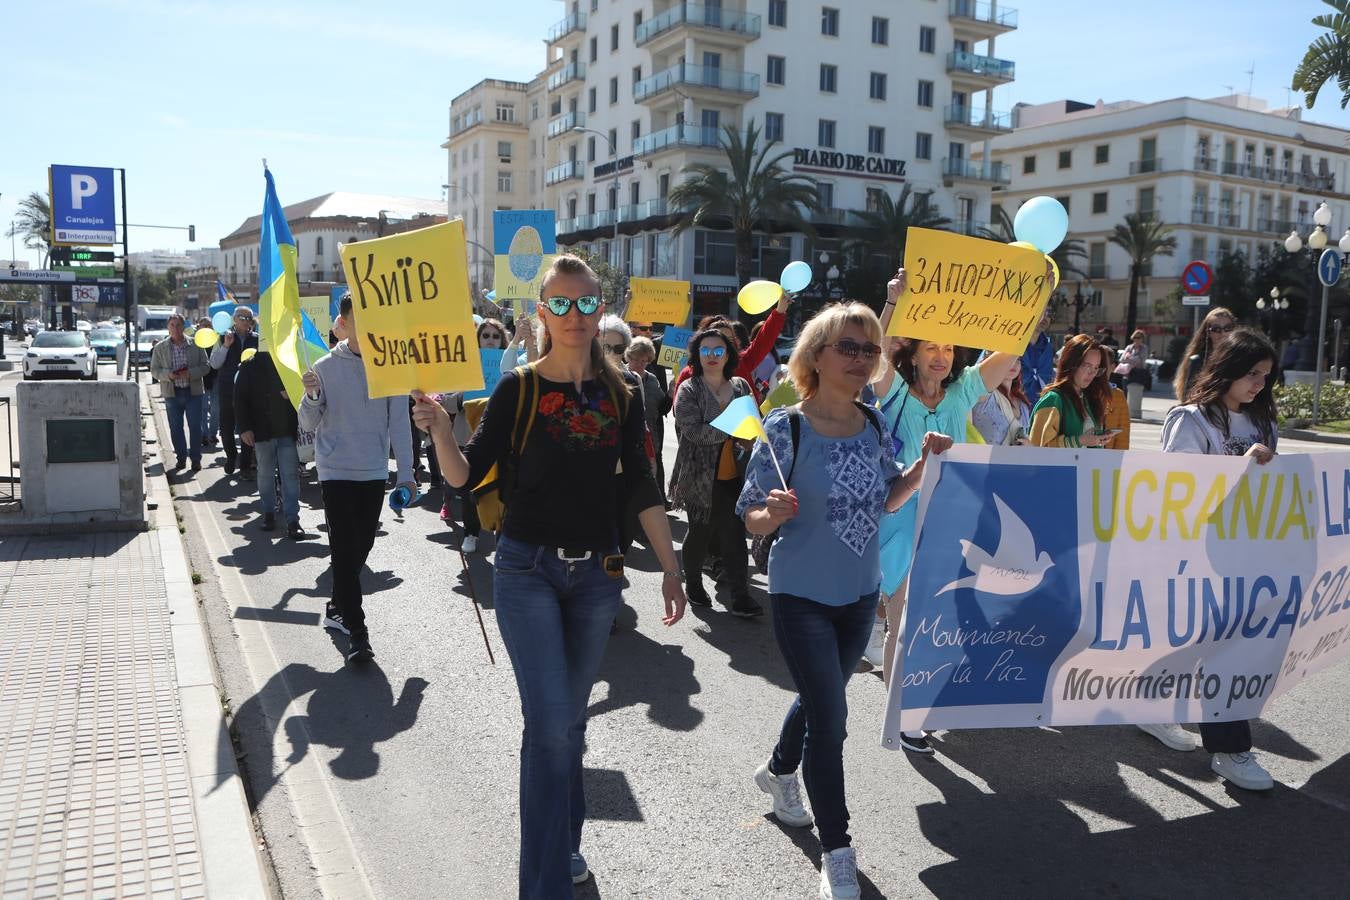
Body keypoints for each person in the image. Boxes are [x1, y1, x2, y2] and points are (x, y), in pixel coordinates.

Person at [413, 254, 685, 897]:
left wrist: (672, 567)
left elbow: (642, 484)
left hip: (598, 578)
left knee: (569, 724)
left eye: (586, 302)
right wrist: (438, 430)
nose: (574, 315)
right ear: (540, 313)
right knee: (550, 726)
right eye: (559, 304)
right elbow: (464, 476)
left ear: (600, 309)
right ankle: (542, 885)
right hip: (526, 571)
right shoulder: (519, 389)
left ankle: (565, 843)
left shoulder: (623, 393)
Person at [738, 302, 953, 900]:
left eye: (869, 349)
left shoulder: (876, 422)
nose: (862, 359)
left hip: (861, 594)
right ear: (816, 356)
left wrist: (921, 467)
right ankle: (838, 847)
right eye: (849, 348)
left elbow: (887, 497)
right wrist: (770, 512)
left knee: (819, 699)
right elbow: (750, 519)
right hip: (800, 595)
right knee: (831, 721)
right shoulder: (786, 428)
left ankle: (778, 771)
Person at [872, 272, 1021, 753]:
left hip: (954, 520)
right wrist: (892, 302)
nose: (941, 356)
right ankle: (902, 712)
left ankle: (920, 700)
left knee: (943, 619)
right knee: (904, 621)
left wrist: (1031, 294)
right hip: (900, 518)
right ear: (911, 353)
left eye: (950, 349)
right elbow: (874, 357)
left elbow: (1010, 347)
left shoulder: (962, 392)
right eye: (931, 347)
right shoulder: (892, 392)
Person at [1147, 328, 1280, 792]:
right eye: (1252, 374)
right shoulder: (1193, 420)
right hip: (1198, 555)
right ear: (1227, 370)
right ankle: (1228, 749)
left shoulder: (1263, 422)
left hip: (1247, 554)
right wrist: (1243, 466)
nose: (1260, 385)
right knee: (1222, 650)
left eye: (1266, 376)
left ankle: (1155, 706)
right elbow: (1177, 489)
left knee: (1230, 649)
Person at [298, 294, 415, 664]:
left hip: (373, 470)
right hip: (334, 471)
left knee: (360, 548)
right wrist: (312, 395)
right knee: (343, 551)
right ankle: (358, 634)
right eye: (359, 320)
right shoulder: (324, 366)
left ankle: (336, 606)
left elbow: (400, 424)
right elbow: (307, 423)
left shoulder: (391, 367)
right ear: (344, 323)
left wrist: (407, 475)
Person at [670, 327, 760, 617]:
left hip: (735, 475)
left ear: (728, 354)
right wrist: (730, 426)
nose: (711, 356)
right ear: (696, 354)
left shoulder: (740, 386)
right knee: (700, 533)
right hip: (698, 476)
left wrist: (750, 435)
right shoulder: (689, 388)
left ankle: (741, 596)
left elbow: (750, 426)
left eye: (718, 350)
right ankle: (694, 584)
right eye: (705, 350)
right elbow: (693, 432)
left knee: (734, 535)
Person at [235, 350, 305, 538]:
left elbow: (305, 390)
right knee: (265, 475)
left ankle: (293, 519)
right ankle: (268, 513)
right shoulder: (250, 365)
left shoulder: (290, 359)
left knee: (290, 476)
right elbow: (240, 399)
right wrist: (244, 428)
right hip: (262, 432)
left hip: (288, 431)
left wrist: (292, 393)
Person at [1029, 334, 1116, 449]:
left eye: (1096, 368)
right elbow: (1038, 447)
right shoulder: (1053, 399)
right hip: (1064, 467)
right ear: (1071, 364)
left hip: (1088, 466)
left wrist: (1099, 438)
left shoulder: (1089, 399)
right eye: (1087, 366)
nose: (1092, 373)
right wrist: (1079, 441)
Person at [150, 313, 210, 473]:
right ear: (168, 327)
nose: (175, 329)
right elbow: (154, 370)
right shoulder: (160, 347)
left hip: (193, 393)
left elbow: (206, 366)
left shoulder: (196, 344)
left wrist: (190, 373)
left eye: (178, 325)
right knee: (176, 428)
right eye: (172, 325)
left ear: (184, 327)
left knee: (195, 427)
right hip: (172, 393)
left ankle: (196, 459)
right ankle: (181, 458)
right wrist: (167, 375)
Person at [210, 305, 260, 476]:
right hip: (228, 389)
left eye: (249, 318)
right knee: (226, 427)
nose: (246, 321)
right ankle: (231, 456)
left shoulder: (258, 339)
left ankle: (245, 466)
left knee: (247, 427)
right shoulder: (224, 337)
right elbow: (215, 363)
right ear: (234, 319)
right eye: (242, 317)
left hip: (250, 391)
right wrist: (226, 345)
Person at [625, 335, 670, 492]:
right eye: (636, 360)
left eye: (644, 361)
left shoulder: (651, 380)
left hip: (650, 439)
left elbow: (662, 409)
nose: (640, 364)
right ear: (628, 357)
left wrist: (670, 395)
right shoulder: (619, 376)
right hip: (626, 439)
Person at [1172, 306, 1236, 401]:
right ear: (1208, 333)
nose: (1223, 333)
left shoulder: (1243, 358)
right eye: (1216, 329)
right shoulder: (1197, 361)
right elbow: (1187, 399)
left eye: (1228, 328)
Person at [971, 356, 1032, 445]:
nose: (1013, 363)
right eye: (1007, 359)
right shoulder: (984, 396)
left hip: (1015, 458)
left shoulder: (1023, 405)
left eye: (1017, 359)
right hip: (984, 458)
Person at [1096, 347, 1132, 450]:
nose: (1098, 369)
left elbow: (1123, 432)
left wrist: (1117, 460)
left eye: (1102, 365)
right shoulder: (1082, 391)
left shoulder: (1118, 396)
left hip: (1108, 457)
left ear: (1113, 367)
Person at [1020, 307, 1056, 405]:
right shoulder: (1014, 342)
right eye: (1041, 312)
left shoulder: (1048, 347)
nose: (1045, 318)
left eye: (1049, 314)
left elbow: (1048, 377)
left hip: (1040, 406)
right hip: (1015, 406)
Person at [196, 316, 220, 449]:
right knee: (203, 408)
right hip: (200, 378)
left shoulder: (217, 340)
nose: (206, 328)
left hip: (216, 377)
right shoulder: (194, 341)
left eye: (209, 325)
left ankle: (212, 433)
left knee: (216, 408)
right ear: (198, 326)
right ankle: (204, 434)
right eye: (203, 325)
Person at [1117, 329, 1151, 418]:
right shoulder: (1129, 347)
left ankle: (1133, 412)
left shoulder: (1144, 348)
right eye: (1135, 337)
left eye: (1139, 337)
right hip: (1127, 373)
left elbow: (1141, 361)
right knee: (1124, 392)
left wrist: (1129, 359)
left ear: (1142, 338)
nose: (1136, 339)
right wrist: (1133, 359)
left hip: (1138, 373)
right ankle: (1124, 412)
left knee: (1136, 392)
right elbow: (1121, 359)